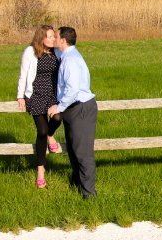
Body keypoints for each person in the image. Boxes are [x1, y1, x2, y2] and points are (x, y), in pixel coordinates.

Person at [47, 26, 98, 199]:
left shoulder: (71, 61)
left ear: (63, 40)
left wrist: (58, 107)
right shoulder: (66, 54)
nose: (53, 39)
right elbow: (54, 49)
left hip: (80, 108)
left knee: (83, 153)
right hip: (73, 109)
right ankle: (77, 184)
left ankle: (89, 194)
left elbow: (73, 89)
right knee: (74, 151)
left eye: (55, 37)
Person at [17, 25, 63, 189]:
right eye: (49, 37)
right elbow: (23, 74)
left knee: (57, 118)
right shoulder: (30, 51)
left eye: (53, 37)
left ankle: (51, 135)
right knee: (41, 131)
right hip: (35, 95)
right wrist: (20, 96)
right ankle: (41, 172)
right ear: (41, 38)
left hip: (52, 95)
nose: (53, 39)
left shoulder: (57, 53)